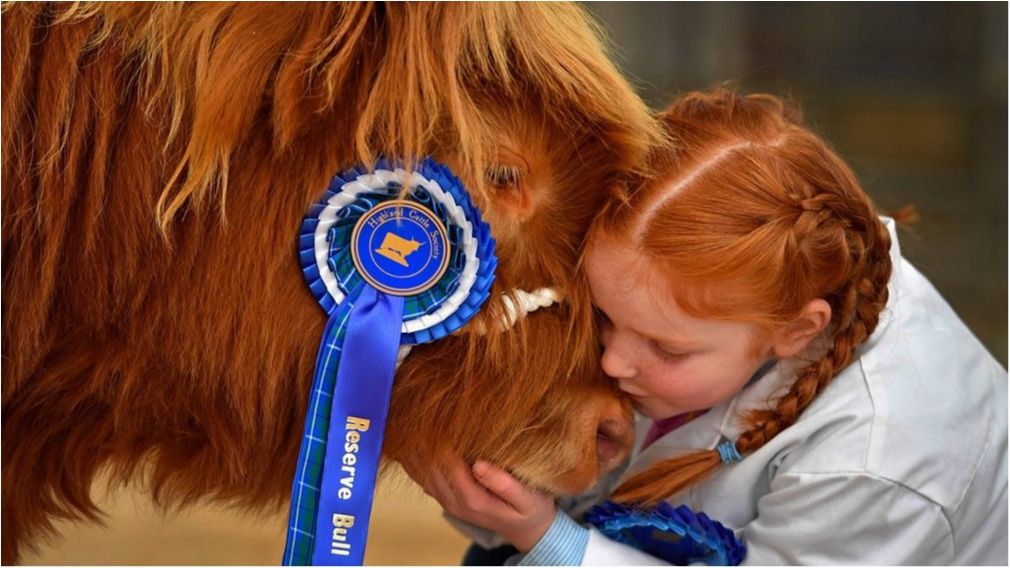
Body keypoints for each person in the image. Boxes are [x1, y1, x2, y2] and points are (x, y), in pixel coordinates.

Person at [404, 89, 1008, 564]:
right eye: (607, 318)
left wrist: (546, 539)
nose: (613, 362)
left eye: (666, 347)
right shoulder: (746, 283)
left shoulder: (880, 462)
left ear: (797, 331)